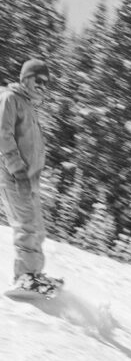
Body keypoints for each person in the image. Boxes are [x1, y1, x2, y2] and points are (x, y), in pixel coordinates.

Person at [0, 58, 62, 294]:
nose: (43, 86)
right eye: (39, 80)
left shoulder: (27, 106)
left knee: (37, 228)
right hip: (15, 176)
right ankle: (24, 276)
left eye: (47, 83)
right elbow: (3, 135)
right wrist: (17, 169)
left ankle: (33, 274)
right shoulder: (9, 99)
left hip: (28, 180)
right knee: (26, 225)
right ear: (25, 78)